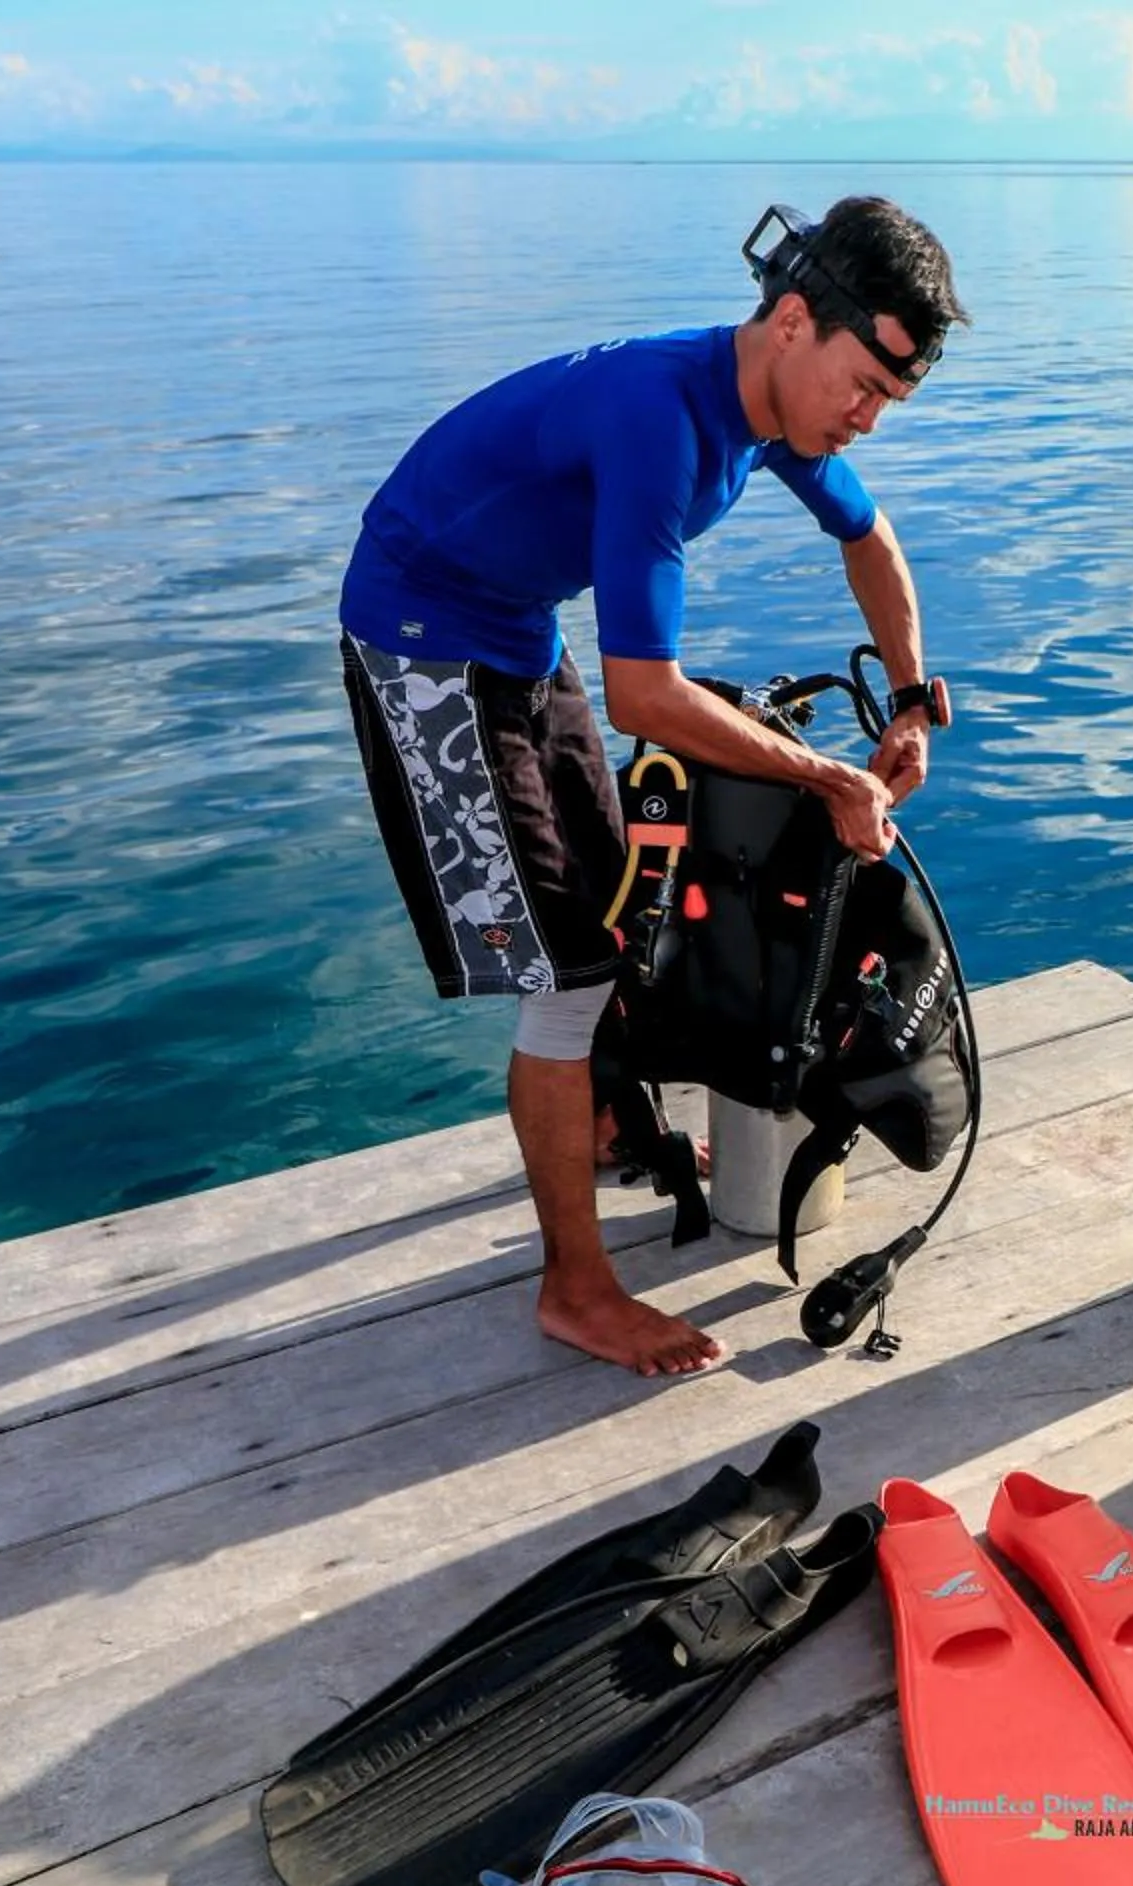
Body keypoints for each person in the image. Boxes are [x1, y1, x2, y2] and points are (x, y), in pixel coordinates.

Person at [337, 196, 968, 1378]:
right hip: (422, 639)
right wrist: (828, 774)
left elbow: (870, 541)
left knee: (619, 906)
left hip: (518, 627)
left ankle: (601, 1115)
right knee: (565, 973)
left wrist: (908, 699)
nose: (869, 418)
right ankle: (574, 1288)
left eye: (891, 398)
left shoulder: (774, 412)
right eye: (863, 386)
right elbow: (645, 697)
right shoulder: (660, 422)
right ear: (794, 321)